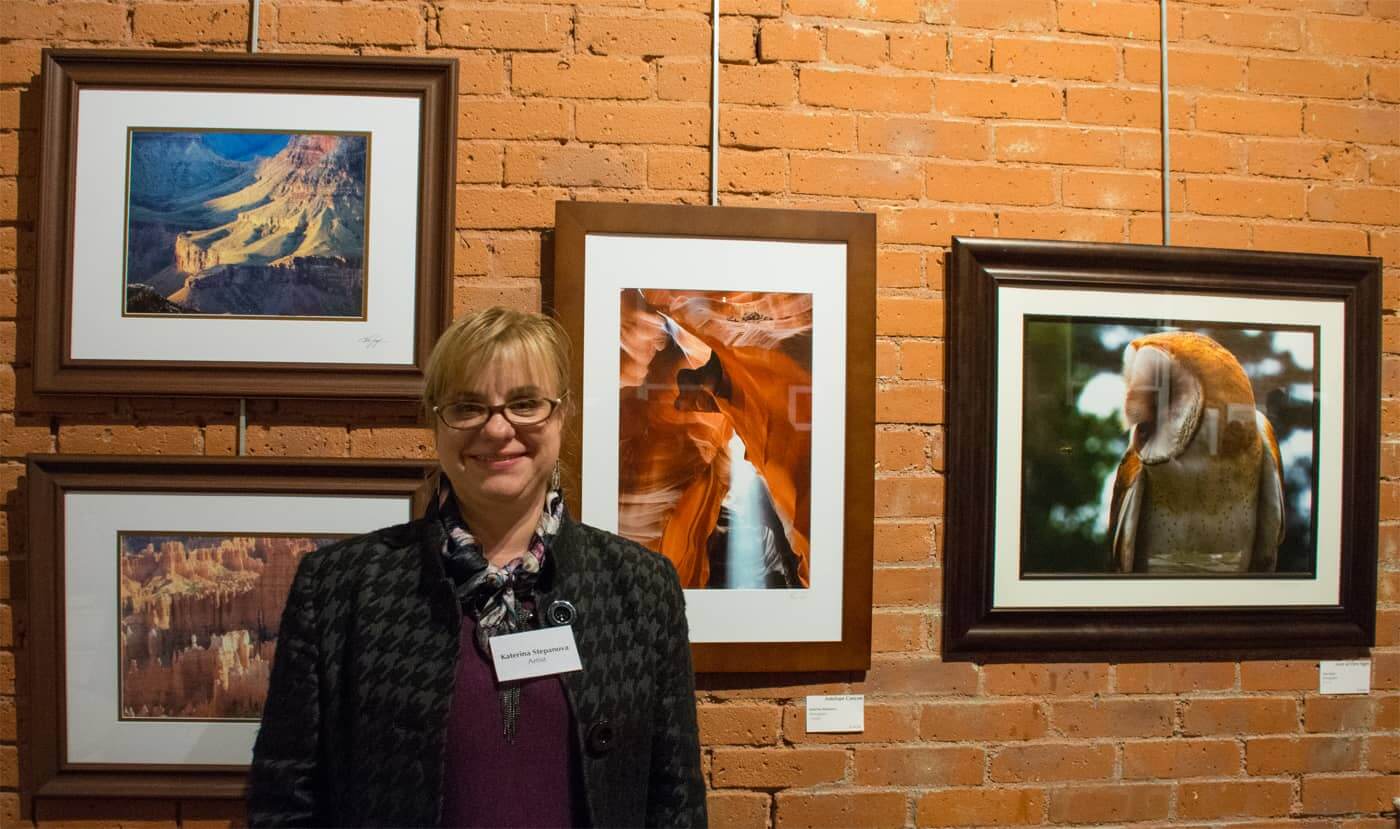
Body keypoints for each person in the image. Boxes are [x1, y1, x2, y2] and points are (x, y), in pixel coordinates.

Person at [247, 307, 707, 828]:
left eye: (526, 403)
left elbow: (676, 803)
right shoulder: (338, 588)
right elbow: (285, 798)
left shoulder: (642, 589)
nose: (497, 428)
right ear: (435, 422)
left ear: (562, 415)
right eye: (467, 406)